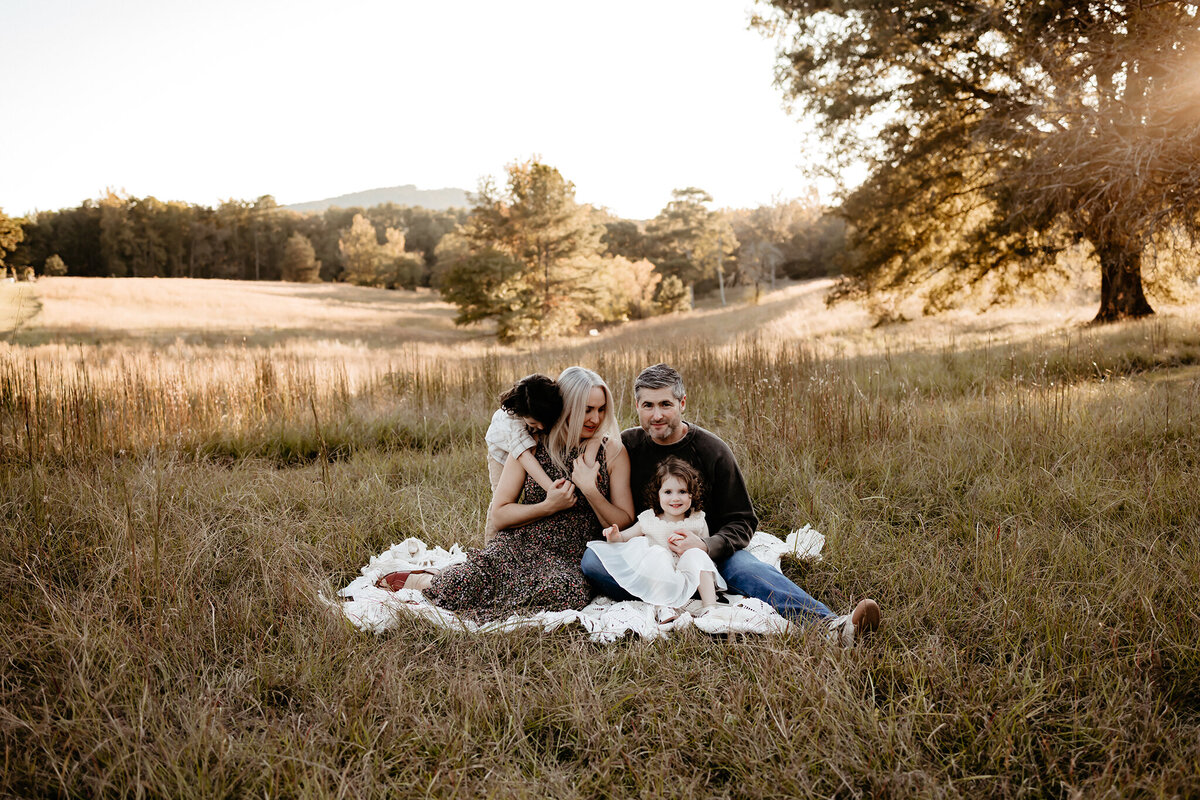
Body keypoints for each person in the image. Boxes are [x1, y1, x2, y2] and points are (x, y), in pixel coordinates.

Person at [581, 363, 881, 645]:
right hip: (651, 552)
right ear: (637, 407)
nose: (656, 415)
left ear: (682, 404)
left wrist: (707, 546)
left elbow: (742, 519)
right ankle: (685, 599)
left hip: (709, 550)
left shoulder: (712, 450)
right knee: (593, 562)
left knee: (746, 568)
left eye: (665, 405)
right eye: (648, 405)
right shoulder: (627, 445)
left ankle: (832, 627)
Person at [378, 366, 635, 622]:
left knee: (565, 591)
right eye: (587, 410)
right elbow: (500, 515)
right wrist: (548, 506)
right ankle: (427, 578)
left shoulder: (611, 451)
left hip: (569, 555)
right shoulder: (531, 444)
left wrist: (590, 489)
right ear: (566, 406)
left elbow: (624, 521)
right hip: (521, 543)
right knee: (464, 583)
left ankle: (479, 591)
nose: (595, 418)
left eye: (601, 409)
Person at [586, 456, 726, 613]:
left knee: (696, 554)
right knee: (657, 554)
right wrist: (614, 535)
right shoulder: (649, 519)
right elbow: (625, 537)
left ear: (692, 494)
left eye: (682, 491)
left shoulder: (697, 518)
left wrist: (695, 550)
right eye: (668, 492)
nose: (675, 498)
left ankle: (710, 608)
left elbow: (706, 550)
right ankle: (663, 609)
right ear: (657, 495)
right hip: (660, 582)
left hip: (691, 580)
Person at [483, 374, 563, 542]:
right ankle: (489, 544)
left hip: (525, 450)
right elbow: (524, 456)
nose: (541, 427)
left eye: (543, 421)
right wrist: (552, 489)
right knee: (500, 499)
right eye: (534, 424)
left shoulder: (542, 401)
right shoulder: (512, 420)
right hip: (502, 454)